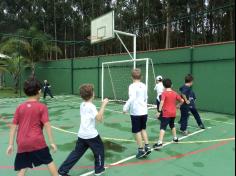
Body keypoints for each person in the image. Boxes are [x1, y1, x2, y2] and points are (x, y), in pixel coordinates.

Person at [6, 77, 58, 176]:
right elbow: (47, 125)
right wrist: (52, 142)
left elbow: (13, 127)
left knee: (23, 169)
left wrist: (10, 144)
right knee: (49, 161)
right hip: (37, 141)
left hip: (22, 143)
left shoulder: (20, 107)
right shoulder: (42, 107)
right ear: (39, 91)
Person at [58, 84, 109, 176]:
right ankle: (99, 170)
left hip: (82, 134)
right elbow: (99, 119)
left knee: (76, 153)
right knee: (99, 150)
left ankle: (62, 170)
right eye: (93, 92)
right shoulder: (91, 106)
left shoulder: (82, 104)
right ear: (92, 94)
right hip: (91, 135)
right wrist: (103, 105)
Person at [123, 68, 151, 159]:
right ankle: (147, 146)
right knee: (143, 129)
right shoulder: (144, 85)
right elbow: (146, 97)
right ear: (141, 77)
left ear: (132, 77)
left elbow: (132, 98)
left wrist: (125, 107)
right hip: (144, 111)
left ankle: (141, 150)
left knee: (137, 131)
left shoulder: (132, 86)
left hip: (136, 112)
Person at [153, 78, 184, 150]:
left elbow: (162, 102)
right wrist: (179, 105)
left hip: (166, 113)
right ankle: (175, 138)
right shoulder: (175, 93)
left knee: (163, 127)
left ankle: (160, 143)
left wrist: (159, 111)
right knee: (172, 125)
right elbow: (182, 100)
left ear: (163, 86)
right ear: (172, 85)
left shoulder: (164, 93)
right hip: (173, 113)